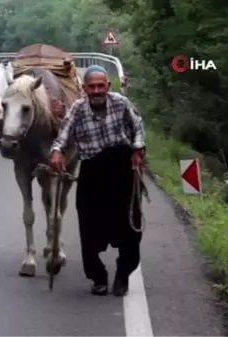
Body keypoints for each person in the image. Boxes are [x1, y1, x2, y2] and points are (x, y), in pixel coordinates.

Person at [49, 65, 145, 297]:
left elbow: (138, 127)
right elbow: (63, 135)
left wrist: (138, 149)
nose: (96, 90)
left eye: (100, 86)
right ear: (84, 88)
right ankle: (98, 277)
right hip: (93, 171)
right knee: (89, 225)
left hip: (123, 170)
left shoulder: (121, 103)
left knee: (130, 228)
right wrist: (56, 151)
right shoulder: (78, 109)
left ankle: (122, 276)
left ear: (108, 86)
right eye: (91, 86)